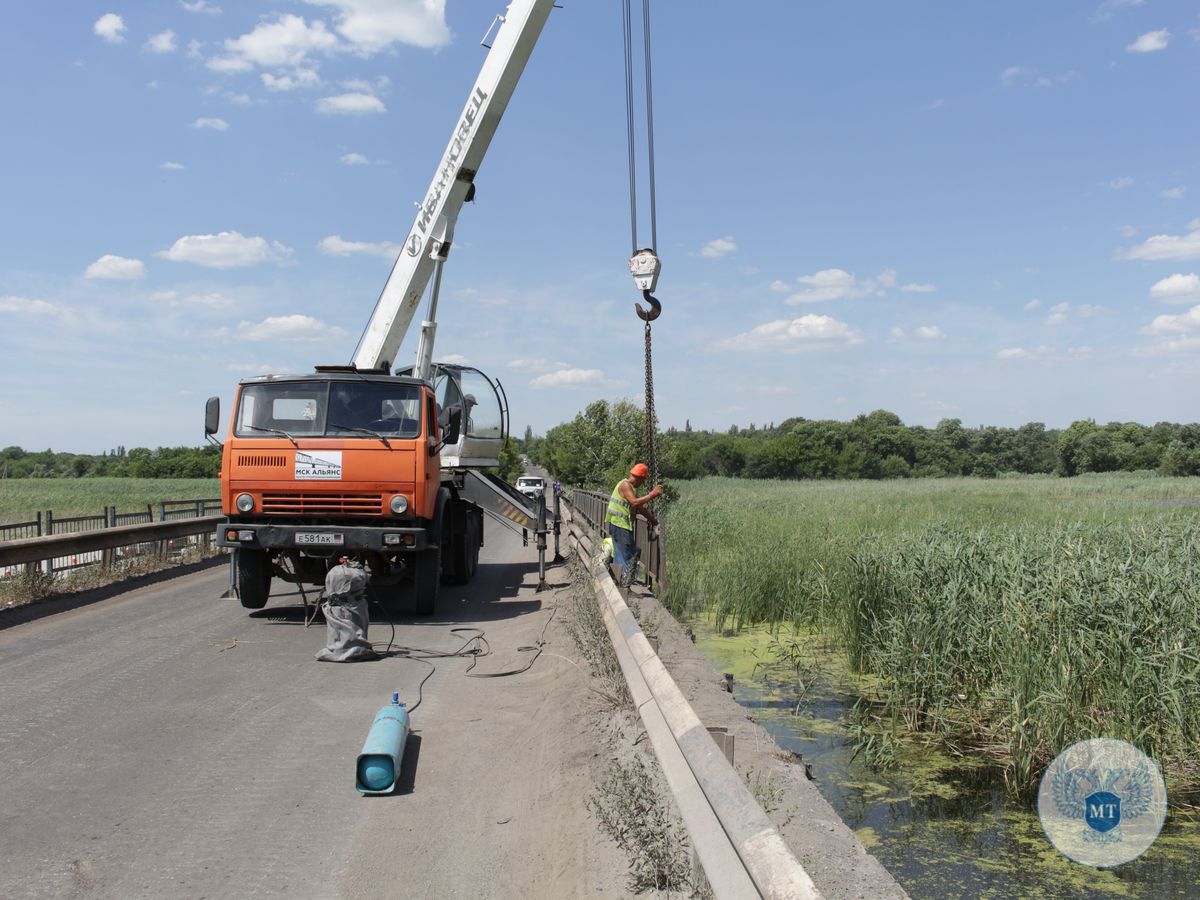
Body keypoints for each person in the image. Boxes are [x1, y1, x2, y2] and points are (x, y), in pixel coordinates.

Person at [605, 463, 663, 588]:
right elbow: (635, 502)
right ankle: (623, 587)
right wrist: (652, 494)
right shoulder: (625, 485)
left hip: (620, 525)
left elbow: (640, 508)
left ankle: (621, 583)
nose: (642, 483)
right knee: (625, 555)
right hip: (620, 525)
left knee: (628, 553)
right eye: (643, 480)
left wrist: (654, 522)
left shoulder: (630, 487)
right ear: (639, 477)